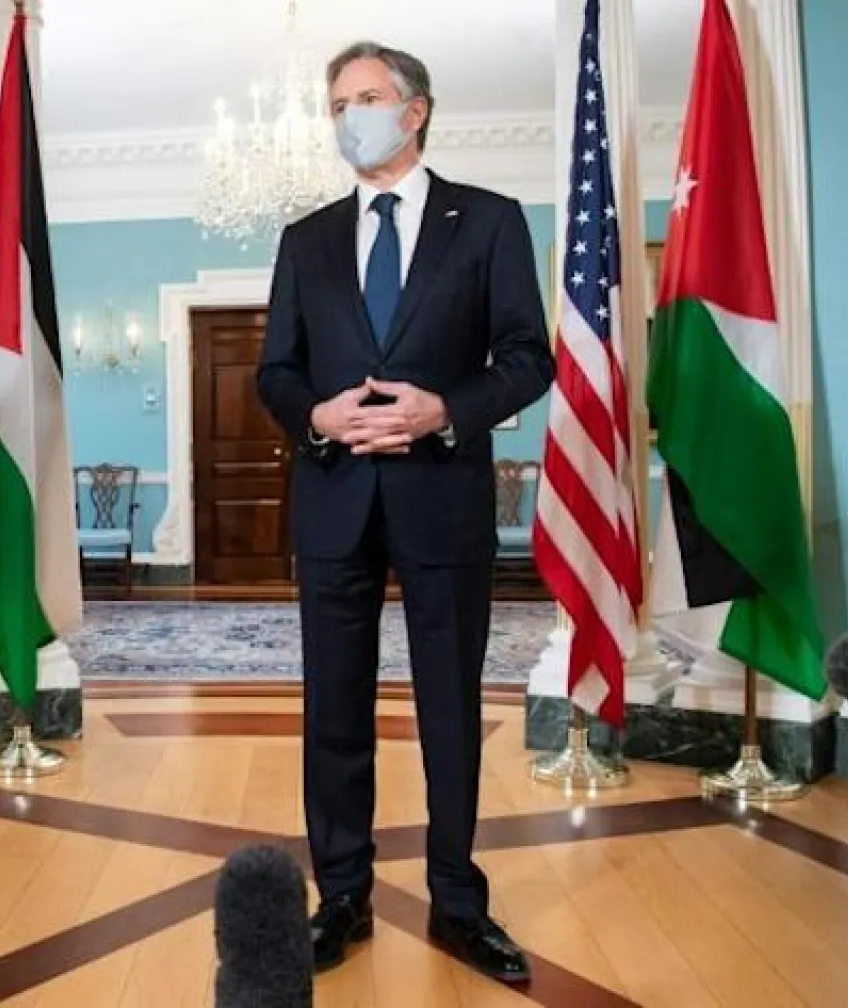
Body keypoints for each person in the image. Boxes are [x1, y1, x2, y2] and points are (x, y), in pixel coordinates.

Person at [256, 42, 553, 983]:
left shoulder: (491, 223)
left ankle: (459, 903)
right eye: (338, 102)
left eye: (369, 98)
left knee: (449, 707)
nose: (351, 117)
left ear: (416, 110)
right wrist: (313, 414)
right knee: (332, 710)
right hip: (335, 498)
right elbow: (276, 369)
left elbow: (526, 357)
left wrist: (446, 410)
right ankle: (341, 895)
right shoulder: (305, 240)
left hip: (443, 499)